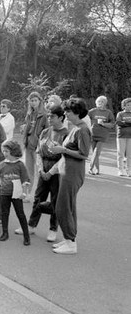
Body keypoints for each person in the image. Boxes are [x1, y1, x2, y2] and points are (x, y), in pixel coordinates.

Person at [15, 105, 69, 242]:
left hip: (56, 171)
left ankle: (53, 229)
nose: (49, 118)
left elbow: (64, 156)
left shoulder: (66, 134)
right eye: (49, 116)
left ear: (61, 118)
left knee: (55, 201)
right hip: (43, 167)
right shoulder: (45, 131)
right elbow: (39, 151)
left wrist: (50, 172)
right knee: (38, 198)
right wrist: (40, 169)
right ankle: (31, 225)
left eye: (53, 116)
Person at [49, 98, 91, 254]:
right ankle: (69, 239)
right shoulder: (75, 128)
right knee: (68, 206)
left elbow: (84, 154)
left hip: (73, 172)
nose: (65, 114)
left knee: (63, 207)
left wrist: (63, 150)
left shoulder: (82, 130)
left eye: (68, 111)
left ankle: (71, 243)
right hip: (67, 171)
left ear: (77, 112)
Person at [0, 140, 31, 245]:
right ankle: (4, 232)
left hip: (17, 193)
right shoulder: (2, 164)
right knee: (4, 213)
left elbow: (25, 179)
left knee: (20, 214)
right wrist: (1, 183)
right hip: (5, 192)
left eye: (7, 151)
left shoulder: (20, 165)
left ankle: (26, 235)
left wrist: (24, 192)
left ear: (14, 152)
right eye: (4, 151)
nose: (4, 153)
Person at [21, 92, 48, 201]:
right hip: (28, 145)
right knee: (28, 171)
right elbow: (27, 128)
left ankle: (40, 195)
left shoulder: (44, 115)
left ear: (40, 101)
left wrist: (38, 139)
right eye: (31, 101)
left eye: (35, 100)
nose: (33, 103)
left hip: (38, 147)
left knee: (39, 171)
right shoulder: (29, 114)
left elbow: (47, 131)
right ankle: (27, 194)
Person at [88, 95, 115, 175]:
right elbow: (86, 120)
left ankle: (91, 168)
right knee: (94, 153)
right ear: (96, 103)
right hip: (93, 134)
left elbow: (112, 124)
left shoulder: (108, 112)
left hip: (102, 135)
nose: (100, 103)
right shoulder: (92, 111)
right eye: (99, 101)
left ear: (105, 103)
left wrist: (104, 124)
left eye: (102, 102)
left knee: (96, 152)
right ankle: (97, 169)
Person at [115, 97, 131, 176]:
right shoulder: (120, 114)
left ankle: (129, 170)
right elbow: (118, 123)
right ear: (124, 106)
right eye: (128, 105)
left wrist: (125, 123)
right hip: (121, 136)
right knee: (120, 154)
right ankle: (120, 170)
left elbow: (123, 123)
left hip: (130, 137)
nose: (129, 106)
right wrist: (128, 123)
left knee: (129, 155)